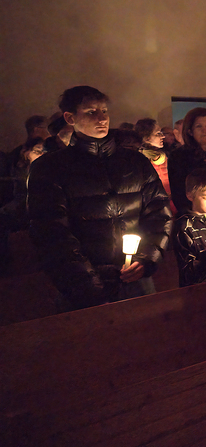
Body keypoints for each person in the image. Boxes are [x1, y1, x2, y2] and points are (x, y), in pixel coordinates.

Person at [27, 86, 172, 310]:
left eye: (104, 111)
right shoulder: (50, 168)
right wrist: (87, 283)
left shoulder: (135, 162)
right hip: (82, 287)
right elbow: (51, 232)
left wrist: (147, 258)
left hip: (135, 278)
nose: (102, 118)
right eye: (91, 112)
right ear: (70, 118)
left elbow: (159, 213)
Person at [0, 137, 45, 266]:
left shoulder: (46, 170)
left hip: (38, 208)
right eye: (37, 151)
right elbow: (20, 193)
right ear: (27, 152)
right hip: (22, 204)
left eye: (44, 152)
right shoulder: (21, 168)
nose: (41, 155)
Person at [135, 118, 176, 213]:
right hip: (156, 205)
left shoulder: (163, 155)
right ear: (146, 138)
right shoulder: (140, 159)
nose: (163, 136)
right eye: (158, 133)